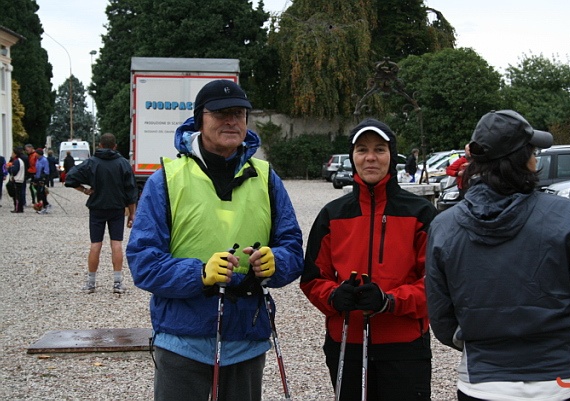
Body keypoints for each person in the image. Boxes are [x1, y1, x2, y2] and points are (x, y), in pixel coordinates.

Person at [126, 79, 304, 401]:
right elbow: (143, 261)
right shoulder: (166, 179)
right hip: (182, 340)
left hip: (246, 338)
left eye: (239, 113)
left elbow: (292, 246)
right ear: (199, 120)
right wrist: (199, 274)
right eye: (221, 113)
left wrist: (276, 262)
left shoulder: (266, 177)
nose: (232, 121)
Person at [426, 110, 570, 401]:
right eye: (532, 152)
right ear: (523, 159)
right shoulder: (564, 214)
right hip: (561, 380)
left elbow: (442, 318)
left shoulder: (444, 226)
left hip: (483, 384)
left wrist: (480, 343)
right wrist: (558, 337)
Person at [301, 118, 437, 401]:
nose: (371, 157)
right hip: (346, 343)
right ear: (352, 156)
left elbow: (435, 284)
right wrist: (334, 296)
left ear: (392, 156)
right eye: (362, 149)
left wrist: (390, 301)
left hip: (405, 346)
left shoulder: (421, 213)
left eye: (379, 149)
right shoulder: (332, 214)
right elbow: (313, 279)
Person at [66, 133, 137, 294]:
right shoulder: (123, 163)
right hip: (117, 208)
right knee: (116, 243)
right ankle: (117, 283)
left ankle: (91, 283)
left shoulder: (91, 162)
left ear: (100, 145)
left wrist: (84, 190)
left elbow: (70, 178)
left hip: (97, 208)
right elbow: (131, 191)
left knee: (95, 244)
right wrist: (132, 214)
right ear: (115, 146)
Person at [34, 149, 51, 214]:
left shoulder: (44, 160)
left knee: (41, 193)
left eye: (36, 154)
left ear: (39, 154)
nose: (35, 155)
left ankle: (44, 206)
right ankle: (42, 205)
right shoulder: (37, 160)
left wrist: (43, 179)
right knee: (39, 193)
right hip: (37, 178)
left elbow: (46, 171)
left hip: (42, 179)